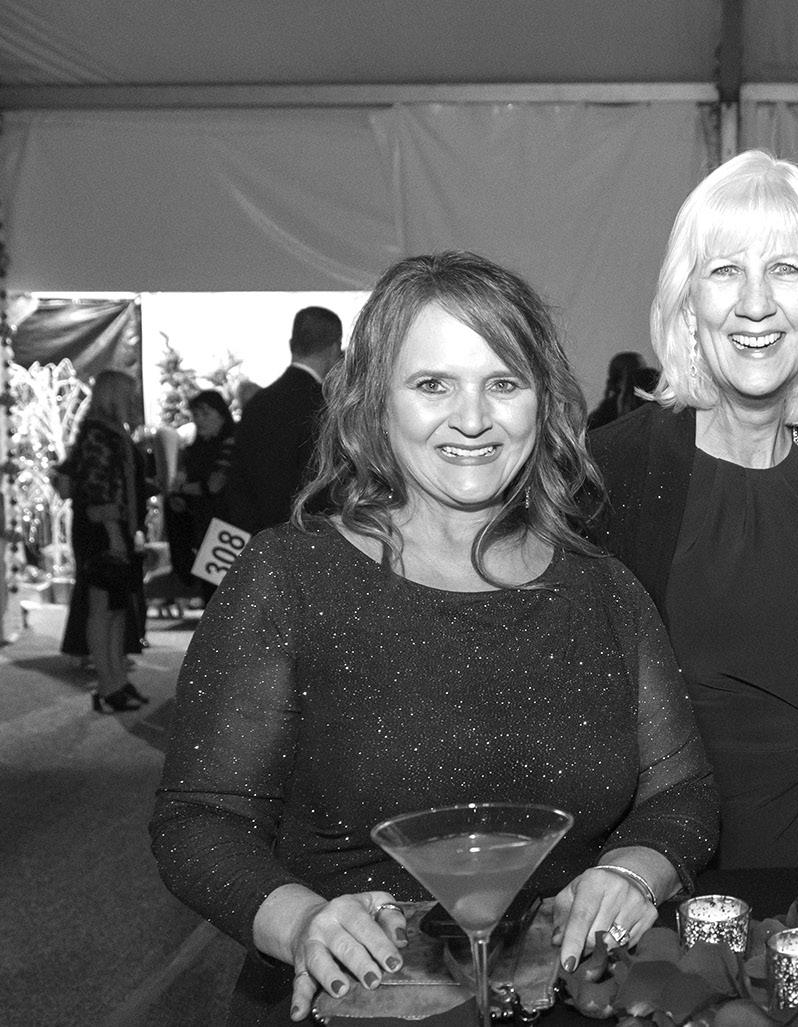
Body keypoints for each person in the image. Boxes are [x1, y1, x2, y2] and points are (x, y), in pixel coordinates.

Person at [151, 252, 718, 1025]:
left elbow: (682, 791)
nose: (473, 418)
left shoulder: (605, 589)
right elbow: (200, 816)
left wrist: (632, 871)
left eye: (503, 383)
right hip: (357, 998)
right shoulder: (289, 577)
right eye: (432, 384)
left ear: (543, 400)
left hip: (565, 995)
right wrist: (300, 919)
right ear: (373, 401)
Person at [589, 150, 798, 868]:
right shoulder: (611, 473)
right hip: (669, 884)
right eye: (724, 271)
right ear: (688, 301)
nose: (755, 303)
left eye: (785, 268)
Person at [62, 368, 151, 713]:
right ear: (115, 395)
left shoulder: (110, 431)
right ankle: (108, 685)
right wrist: (115, 535)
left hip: (116, 527)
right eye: (129, 393)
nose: (133, 399)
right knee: (102, 609)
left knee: (116, 608)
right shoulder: (99, 434)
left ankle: (117, 680)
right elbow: (99, 489)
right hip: (102, 530)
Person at [224, 306, 343, 533]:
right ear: (335, 348)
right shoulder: (324, 406)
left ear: (291, 345)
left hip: (260, 535)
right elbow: (326, 485)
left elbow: (238, 480)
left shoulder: (258, 404)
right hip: (308, 535)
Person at [164, 389, 236, 601]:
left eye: (205, 413)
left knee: (223, 593)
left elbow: (214, 485)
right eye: (196, 414)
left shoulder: (231, 443)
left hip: (226, 527)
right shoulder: (195, 447)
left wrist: (182, 490)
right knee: (212, 593)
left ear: (221, 415)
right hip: (202, 525)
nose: (199, 420)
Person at [586, 351, 654, 430]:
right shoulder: (605, 415)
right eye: (641, 372)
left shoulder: (604, 411)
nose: (645, 375)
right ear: (622, 380)